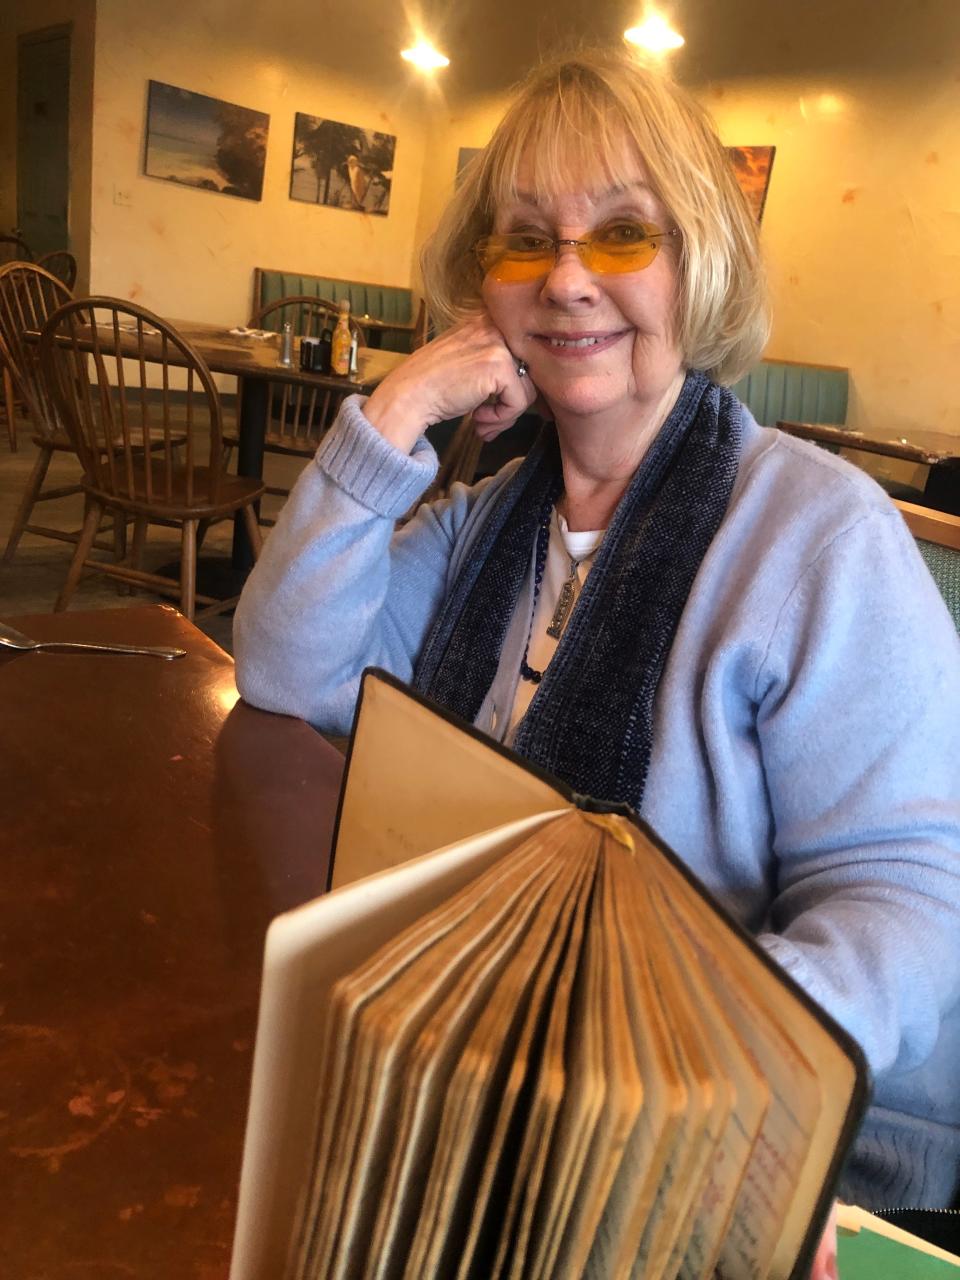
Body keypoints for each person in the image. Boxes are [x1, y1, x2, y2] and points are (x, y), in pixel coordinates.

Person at [235, 48, 960, 1238]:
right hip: (485, 1074)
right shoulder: (480, 525)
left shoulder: (819, 533)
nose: (567, 278)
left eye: (624, 232)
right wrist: (399, 409)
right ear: (487, 288)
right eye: (525, 241)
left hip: (733, 1134)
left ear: (700, 261)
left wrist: (734, 1076)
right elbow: (284, 667)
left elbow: (909, 897)